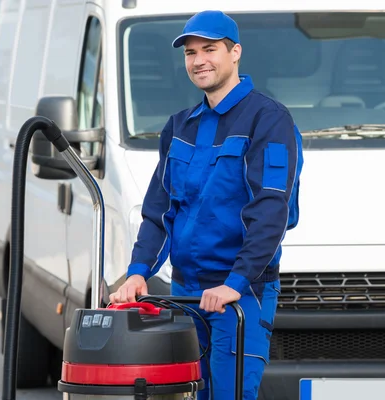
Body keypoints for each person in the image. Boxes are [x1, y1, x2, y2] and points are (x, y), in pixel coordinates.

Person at [109, 9, 304, 400]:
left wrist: (235, 282)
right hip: (186, 292)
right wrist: (137, 272)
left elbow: (271, 211)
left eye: (209, 49)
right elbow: (160, 211)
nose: (199, 60)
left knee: (230, 394)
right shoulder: (180, 126)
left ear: (235, 53)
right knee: (188, 392)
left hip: (240, 294)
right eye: (190, 52)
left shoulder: (268, 120)